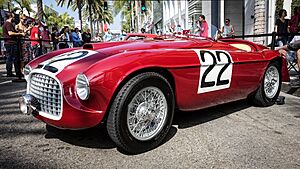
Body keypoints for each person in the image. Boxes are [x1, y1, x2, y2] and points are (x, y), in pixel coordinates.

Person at [2, 12, 24, 77]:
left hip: (8, 43)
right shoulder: (8, 24)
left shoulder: (5, 24)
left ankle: (10, 72)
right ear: (10, 17)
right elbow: (10, 33)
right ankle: (17, 73)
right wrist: (20, 34)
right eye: (13, 17)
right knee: (14, 58)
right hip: (11, 43)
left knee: (10, 58)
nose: (14, 18)